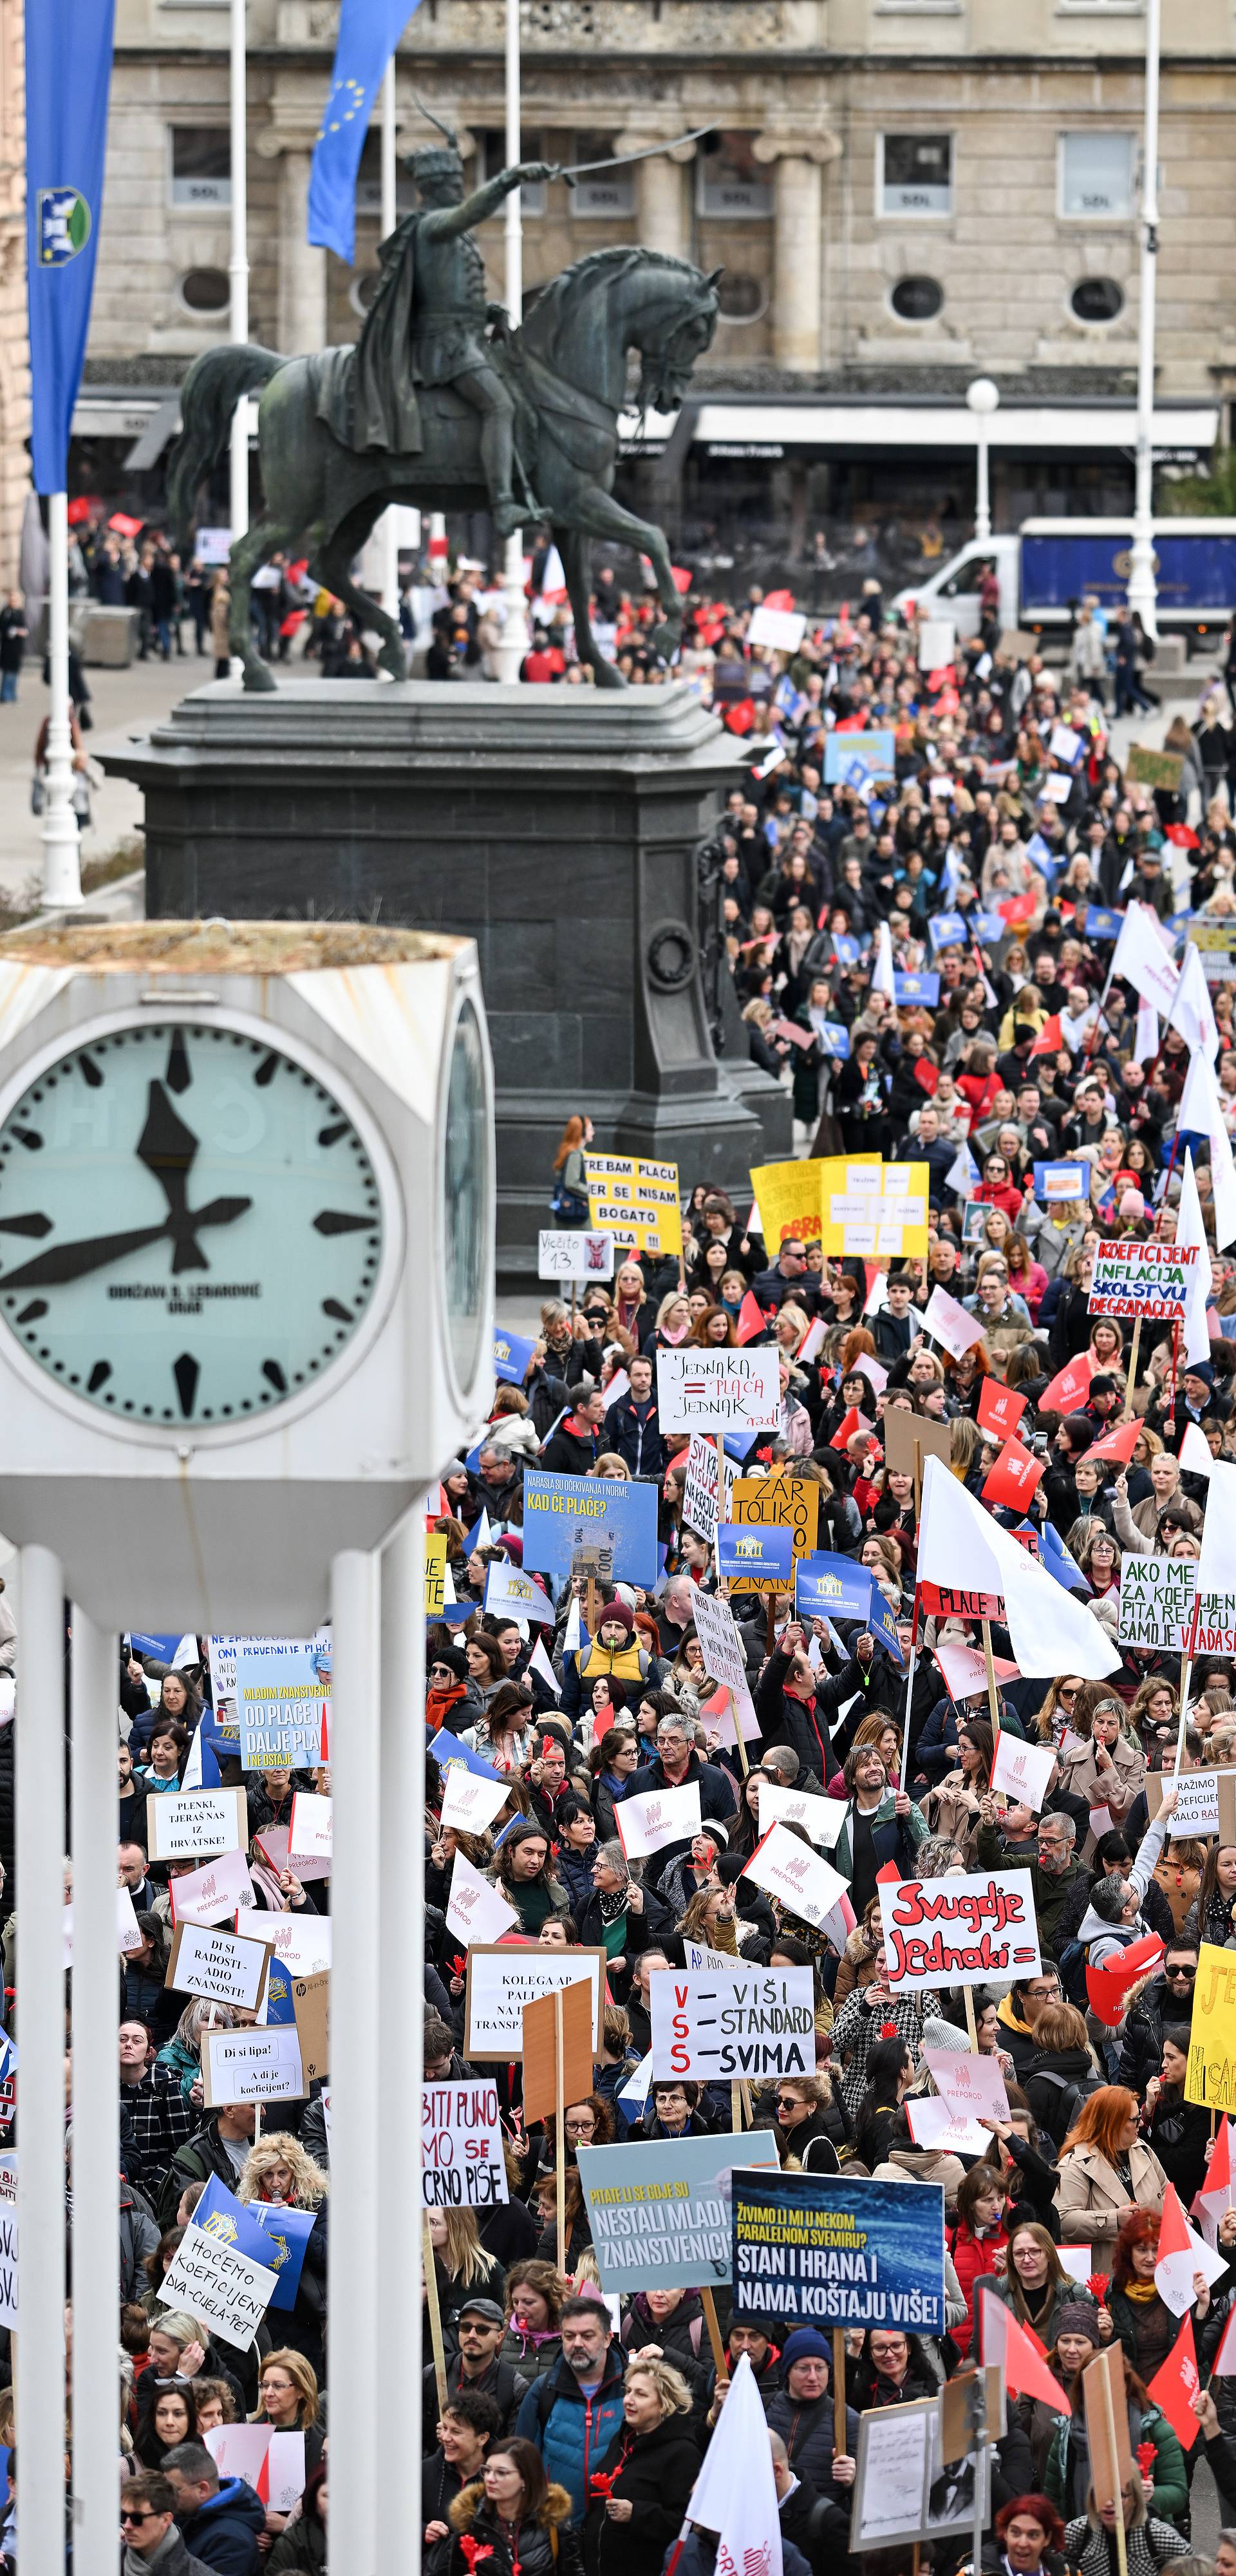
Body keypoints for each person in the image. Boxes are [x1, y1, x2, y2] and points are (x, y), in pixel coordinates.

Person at [581, 2356, 701, 2576]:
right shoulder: (623, 2439)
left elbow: (686, 2523)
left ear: (664, 2403)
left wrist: (637, 2514)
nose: (628, 2400)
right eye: (628, 2391)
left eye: (641, 2394)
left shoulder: (682, 2453)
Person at [514, 2295, 626, 2523]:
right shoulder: (544, 2390)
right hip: (556, 2529)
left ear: (607, 2339)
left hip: (613, 2530)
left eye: (587, 2336)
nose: (577, 2343)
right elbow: (522, 2460)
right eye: (569, 2336)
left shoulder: (631, 2389)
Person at [431, 2438, 585, 2576]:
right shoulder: (472, 2522)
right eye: (487, 2471)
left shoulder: (553, 2521)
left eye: (501, 2473)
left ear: (525, 2479)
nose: (490, 2479)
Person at [160, 2442, 266, 2576]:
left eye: (174, 2490)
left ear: (202, 2489)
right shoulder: (188, 2515)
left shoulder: (233, 2541)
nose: (167, 2497)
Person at [120, 2472, 218, 2576]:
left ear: (166, 2520)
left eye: (137, 2518)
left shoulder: (196, 2572)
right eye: (124, 2516)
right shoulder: (106, 2561)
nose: (127, 2526)